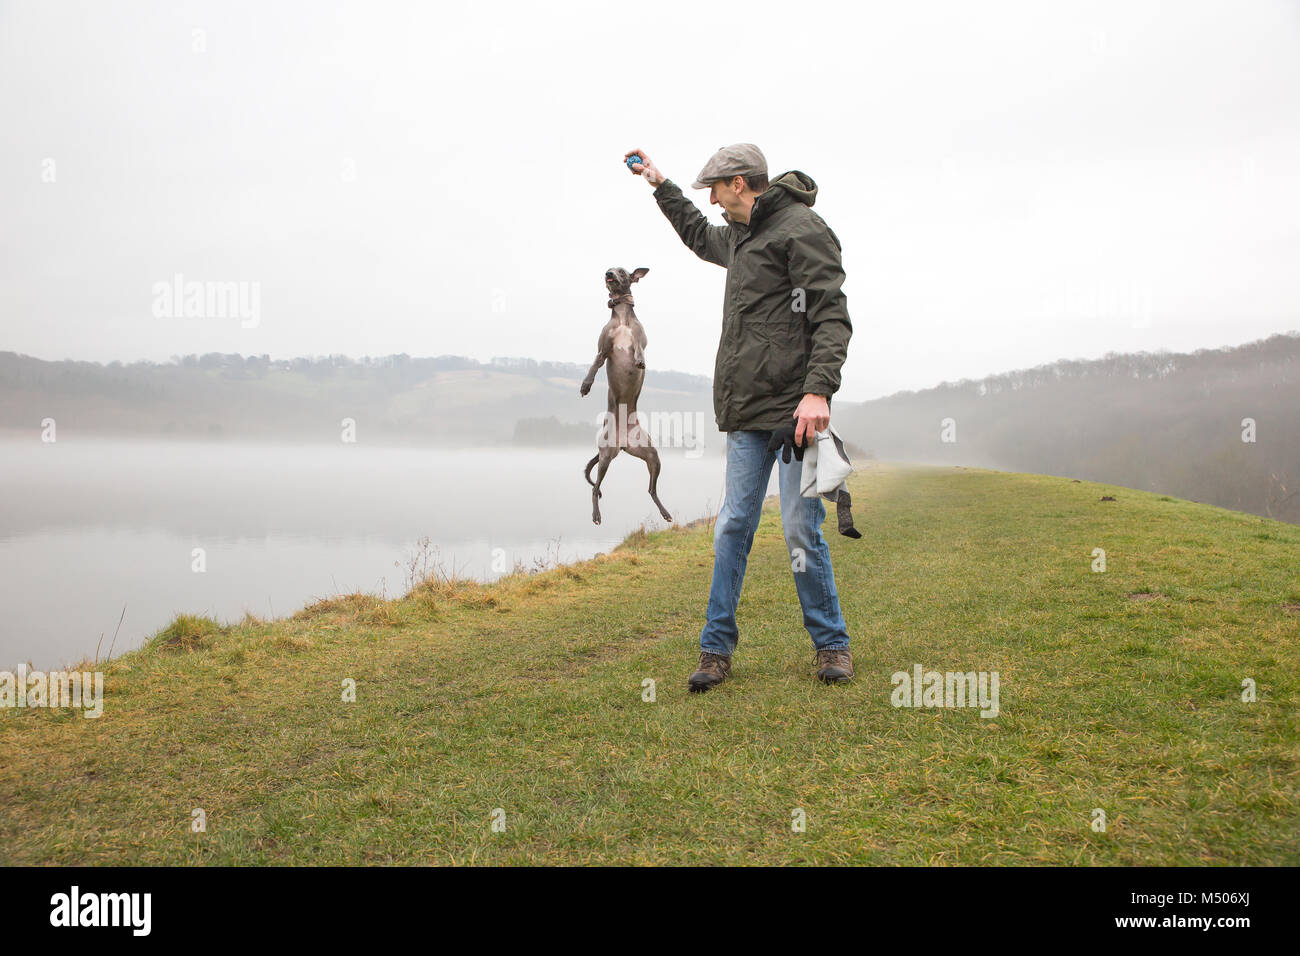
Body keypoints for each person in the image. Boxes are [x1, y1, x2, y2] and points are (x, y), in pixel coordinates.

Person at [625, 144, 855, 691]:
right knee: (732, 526)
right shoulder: (740, 237)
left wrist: (818, 392)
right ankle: (715, 651)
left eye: (714, 189)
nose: (711, 200)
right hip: (747, 410)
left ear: (739, 184)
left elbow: (831, 314)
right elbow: (697, 234)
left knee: (800, 529)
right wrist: (660, 184)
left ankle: (832, 644)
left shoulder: (801, 229)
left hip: (796, 413)